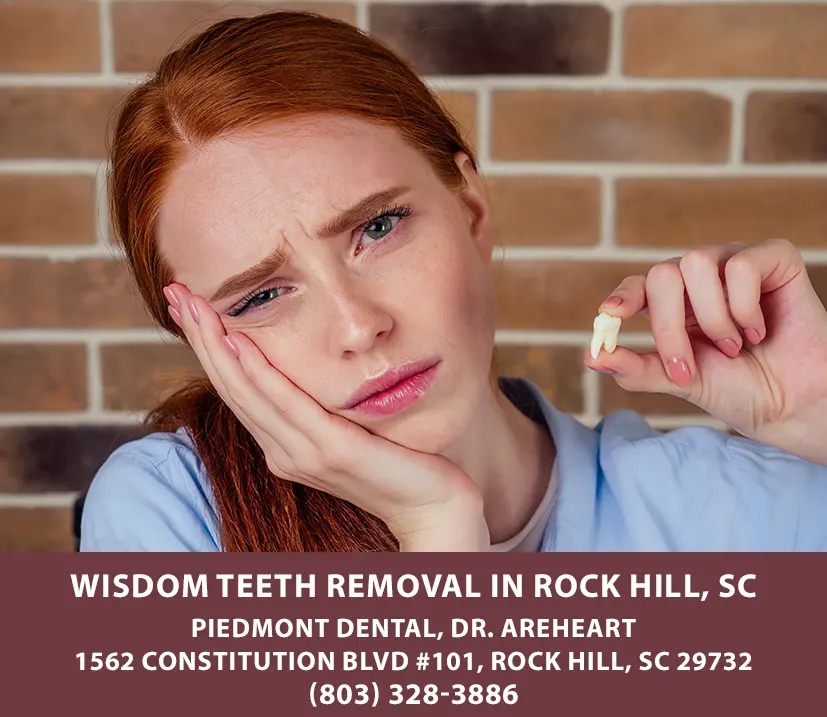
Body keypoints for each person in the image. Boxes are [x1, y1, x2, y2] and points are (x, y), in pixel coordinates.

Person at [80, 10, 827, 553]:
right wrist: (437, 531)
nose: (356, 326)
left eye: (378, 228)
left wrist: (818, 412)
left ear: (471, 211)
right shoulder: (171, 515)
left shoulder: (729, 510)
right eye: (261, 297)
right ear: (207, 341)